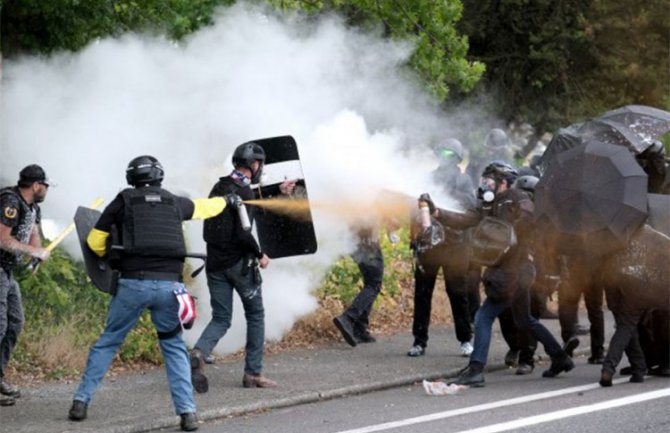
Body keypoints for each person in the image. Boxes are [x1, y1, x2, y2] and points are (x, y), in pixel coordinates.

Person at [68, 155, 229, 432]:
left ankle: (80, 403)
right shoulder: (174, 202)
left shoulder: (123, 201)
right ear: (159, 176)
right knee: (174, 346)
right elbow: (208, 208)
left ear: (132, 178)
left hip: (132, 286)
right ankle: (188, 414)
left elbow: (95, 241)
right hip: (170, 288)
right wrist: (230, 199)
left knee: (108, 342)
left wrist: (109, 254)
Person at [427, 160, 573, 387]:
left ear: (503, 183)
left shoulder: (516, 198)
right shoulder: (488, 204)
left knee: (483, 317)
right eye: (483, 181)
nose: (484, 185)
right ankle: (560, 357)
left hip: (516, 271)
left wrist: (512, 232)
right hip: (510, 272)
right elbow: (465, 219)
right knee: (525, 319)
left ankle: (476, 369)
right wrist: (437, 212)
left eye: (489, 181)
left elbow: (529, 220)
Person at [190, 141, 278, 392]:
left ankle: (199, 352)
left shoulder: (219, 187)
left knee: (221, 318)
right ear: (254, 164)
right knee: (256, 315)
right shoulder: (245, 193)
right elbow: (244, 233)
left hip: (215, 264)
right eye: (259, 163)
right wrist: (260, 255)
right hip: (239, 266)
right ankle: (253, 374)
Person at [406, 138, 476, 357]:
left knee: (457, 293)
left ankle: (465, 340)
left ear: (456, 158)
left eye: (448, 154)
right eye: (441, 153)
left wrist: (440, 196)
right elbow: (414, 210)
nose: (443, 158)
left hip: (456, 246)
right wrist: (414, 237)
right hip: (429, 245)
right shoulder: (428, 178)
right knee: (422, 293)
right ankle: (419, 341)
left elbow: (470, 206)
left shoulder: (464, 180)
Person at [0, 165, 51, 407]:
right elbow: (2, 239)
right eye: (46, 185)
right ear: (36, 185)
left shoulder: (33, 206)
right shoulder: (10, 201)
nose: (47, 190)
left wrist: (35, 255)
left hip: (7, 272)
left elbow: (33, 233)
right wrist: (34, 251)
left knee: (15, 322)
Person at [333, 221, 392, 346]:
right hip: (368, 242)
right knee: (374, 284)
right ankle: (348, 318)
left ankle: (360, 329)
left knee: (370, 283)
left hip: (354, 243)